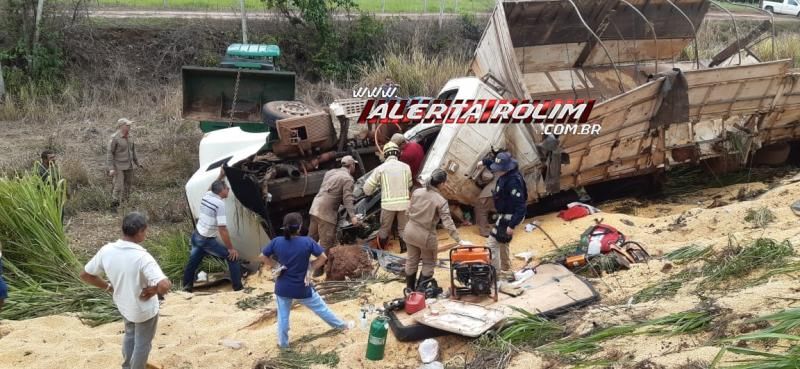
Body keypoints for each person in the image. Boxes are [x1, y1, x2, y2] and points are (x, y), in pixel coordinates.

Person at [80, 212, 171, 369]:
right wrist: (153, 290)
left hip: (124, 304)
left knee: (130, 335)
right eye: (145, 231)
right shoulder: (142, 257)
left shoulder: (107, 250)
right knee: (143, 344)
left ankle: (127, 366)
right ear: (141, 231)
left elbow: (85, 275)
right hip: (144, 309)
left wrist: (108, 287)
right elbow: (165, 285)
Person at [260, 212, 353, 349]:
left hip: (283, 287)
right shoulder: (307, 241)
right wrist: (310, 267)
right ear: (300, 227)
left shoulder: (276, 241)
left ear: (284, 226)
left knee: (283, 317)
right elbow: (323, 258)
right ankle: (341, 326)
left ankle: (283, 344)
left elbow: (262, 256)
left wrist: (277, 265)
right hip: (302, 287)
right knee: (321, 308)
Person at [403, 169, 470, 291]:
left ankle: (409, 290)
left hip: (409, 231)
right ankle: (419, 293)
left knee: (411, 261)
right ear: (442, 184)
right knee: (428, 263)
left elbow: (407, 211)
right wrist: (458, 240)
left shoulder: (417, 192)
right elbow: (448, 223)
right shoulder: (440, 200)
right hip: (425, 236)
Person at [181, 168, 243, 292]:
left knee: (193, 262)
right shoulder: (219, 204)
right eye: (227, 188)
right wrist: (231, 248)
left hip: (197, 235)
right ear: (221, 191)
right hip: (206, 240)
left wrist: (220, 176)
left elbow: (211, 187)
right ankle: (238, 288)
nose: (228, 190)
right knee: (233, 258)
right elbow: (222, 229)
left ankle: (187, 287)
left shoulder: (208, 195)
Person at [308, 155, 361, 276]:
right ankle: (318, 271)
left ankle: (297, 264)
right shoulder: (348, 179)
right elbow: (347, 199)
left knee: (310, 240)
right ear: (352, 165)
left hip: (315, 207)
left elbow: (330, 191)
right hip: (326, 213)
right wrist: (353, 216)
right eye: (354, 166)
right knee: (326, 244)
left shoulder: (330, 172)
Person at [363, 142, 412, 252]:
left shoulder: (380, 169)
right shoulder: (406, 167)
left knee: (384, 229)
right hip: (404, 204)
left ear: (385, 155)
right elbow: (409, 185)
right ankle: (405, 251)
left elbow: (367, 189)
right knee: (403, 229)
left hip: (388, 205)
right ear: (398, 154)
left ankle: (381, 252)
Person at [486, 152, 527, 276]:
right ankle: (506, 267)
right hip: (505, 214)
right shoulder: (506, 174)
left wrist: (511, 225)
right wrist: (484, 162)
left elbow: (521, 207)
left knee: (492, 244)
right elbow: (493, 164)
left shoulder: (513, 182)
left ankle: (496, 274)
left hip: (510, 217)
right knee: (503, 240)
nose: (496, 171)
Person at [107, 118, 142, 207]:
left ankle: (125, 203)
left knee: (128, 185)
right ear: (121, 126)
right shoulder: (115, 138)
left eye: (129, 125)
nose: (129, 126)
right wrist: (111, 168)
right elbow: (110, 153)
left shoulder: (130, 137)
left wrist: (137, 163)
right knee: (118, 186)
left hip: (129, 165)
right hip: (118, 166)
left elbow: (133, 151)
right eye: (127, 125)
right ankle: (114, 204)